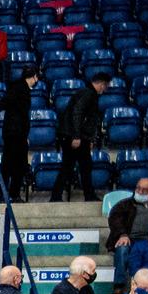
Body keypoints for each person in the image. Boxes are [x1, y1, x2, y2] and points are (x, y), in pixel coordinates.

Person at [52, 73, 109, 203]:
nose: (105, 90)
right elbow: (77, 113)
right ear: (101, 84)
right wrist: (76, 136)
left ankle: (61, 196)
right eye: (105, 86)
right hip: (75, 137)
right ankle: (61, 196)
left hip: (78, 136)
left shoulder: (87, 93)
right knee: (73, 166)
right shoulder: (88, 93)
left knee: (80, 166)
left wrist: (89, 139)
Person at [107, 178, 148, 286]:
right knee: (122, 249)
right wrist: (122, 234)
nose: (140, 192)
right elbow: (114, 220)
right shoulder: (124, 205)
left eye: (144, 190)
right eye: (138, 188)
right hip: (130, 239)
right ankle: (119, 284)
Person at [0, 68, 39, 202]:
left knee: (13, 165)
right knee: (13, 165)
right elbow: (5, 103)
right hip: (15, 134)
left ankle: (7, 194)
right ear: (34, 77)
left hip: (16, 133)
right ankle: (9, 194)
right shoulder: (19, 89)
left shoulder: (19, 88)